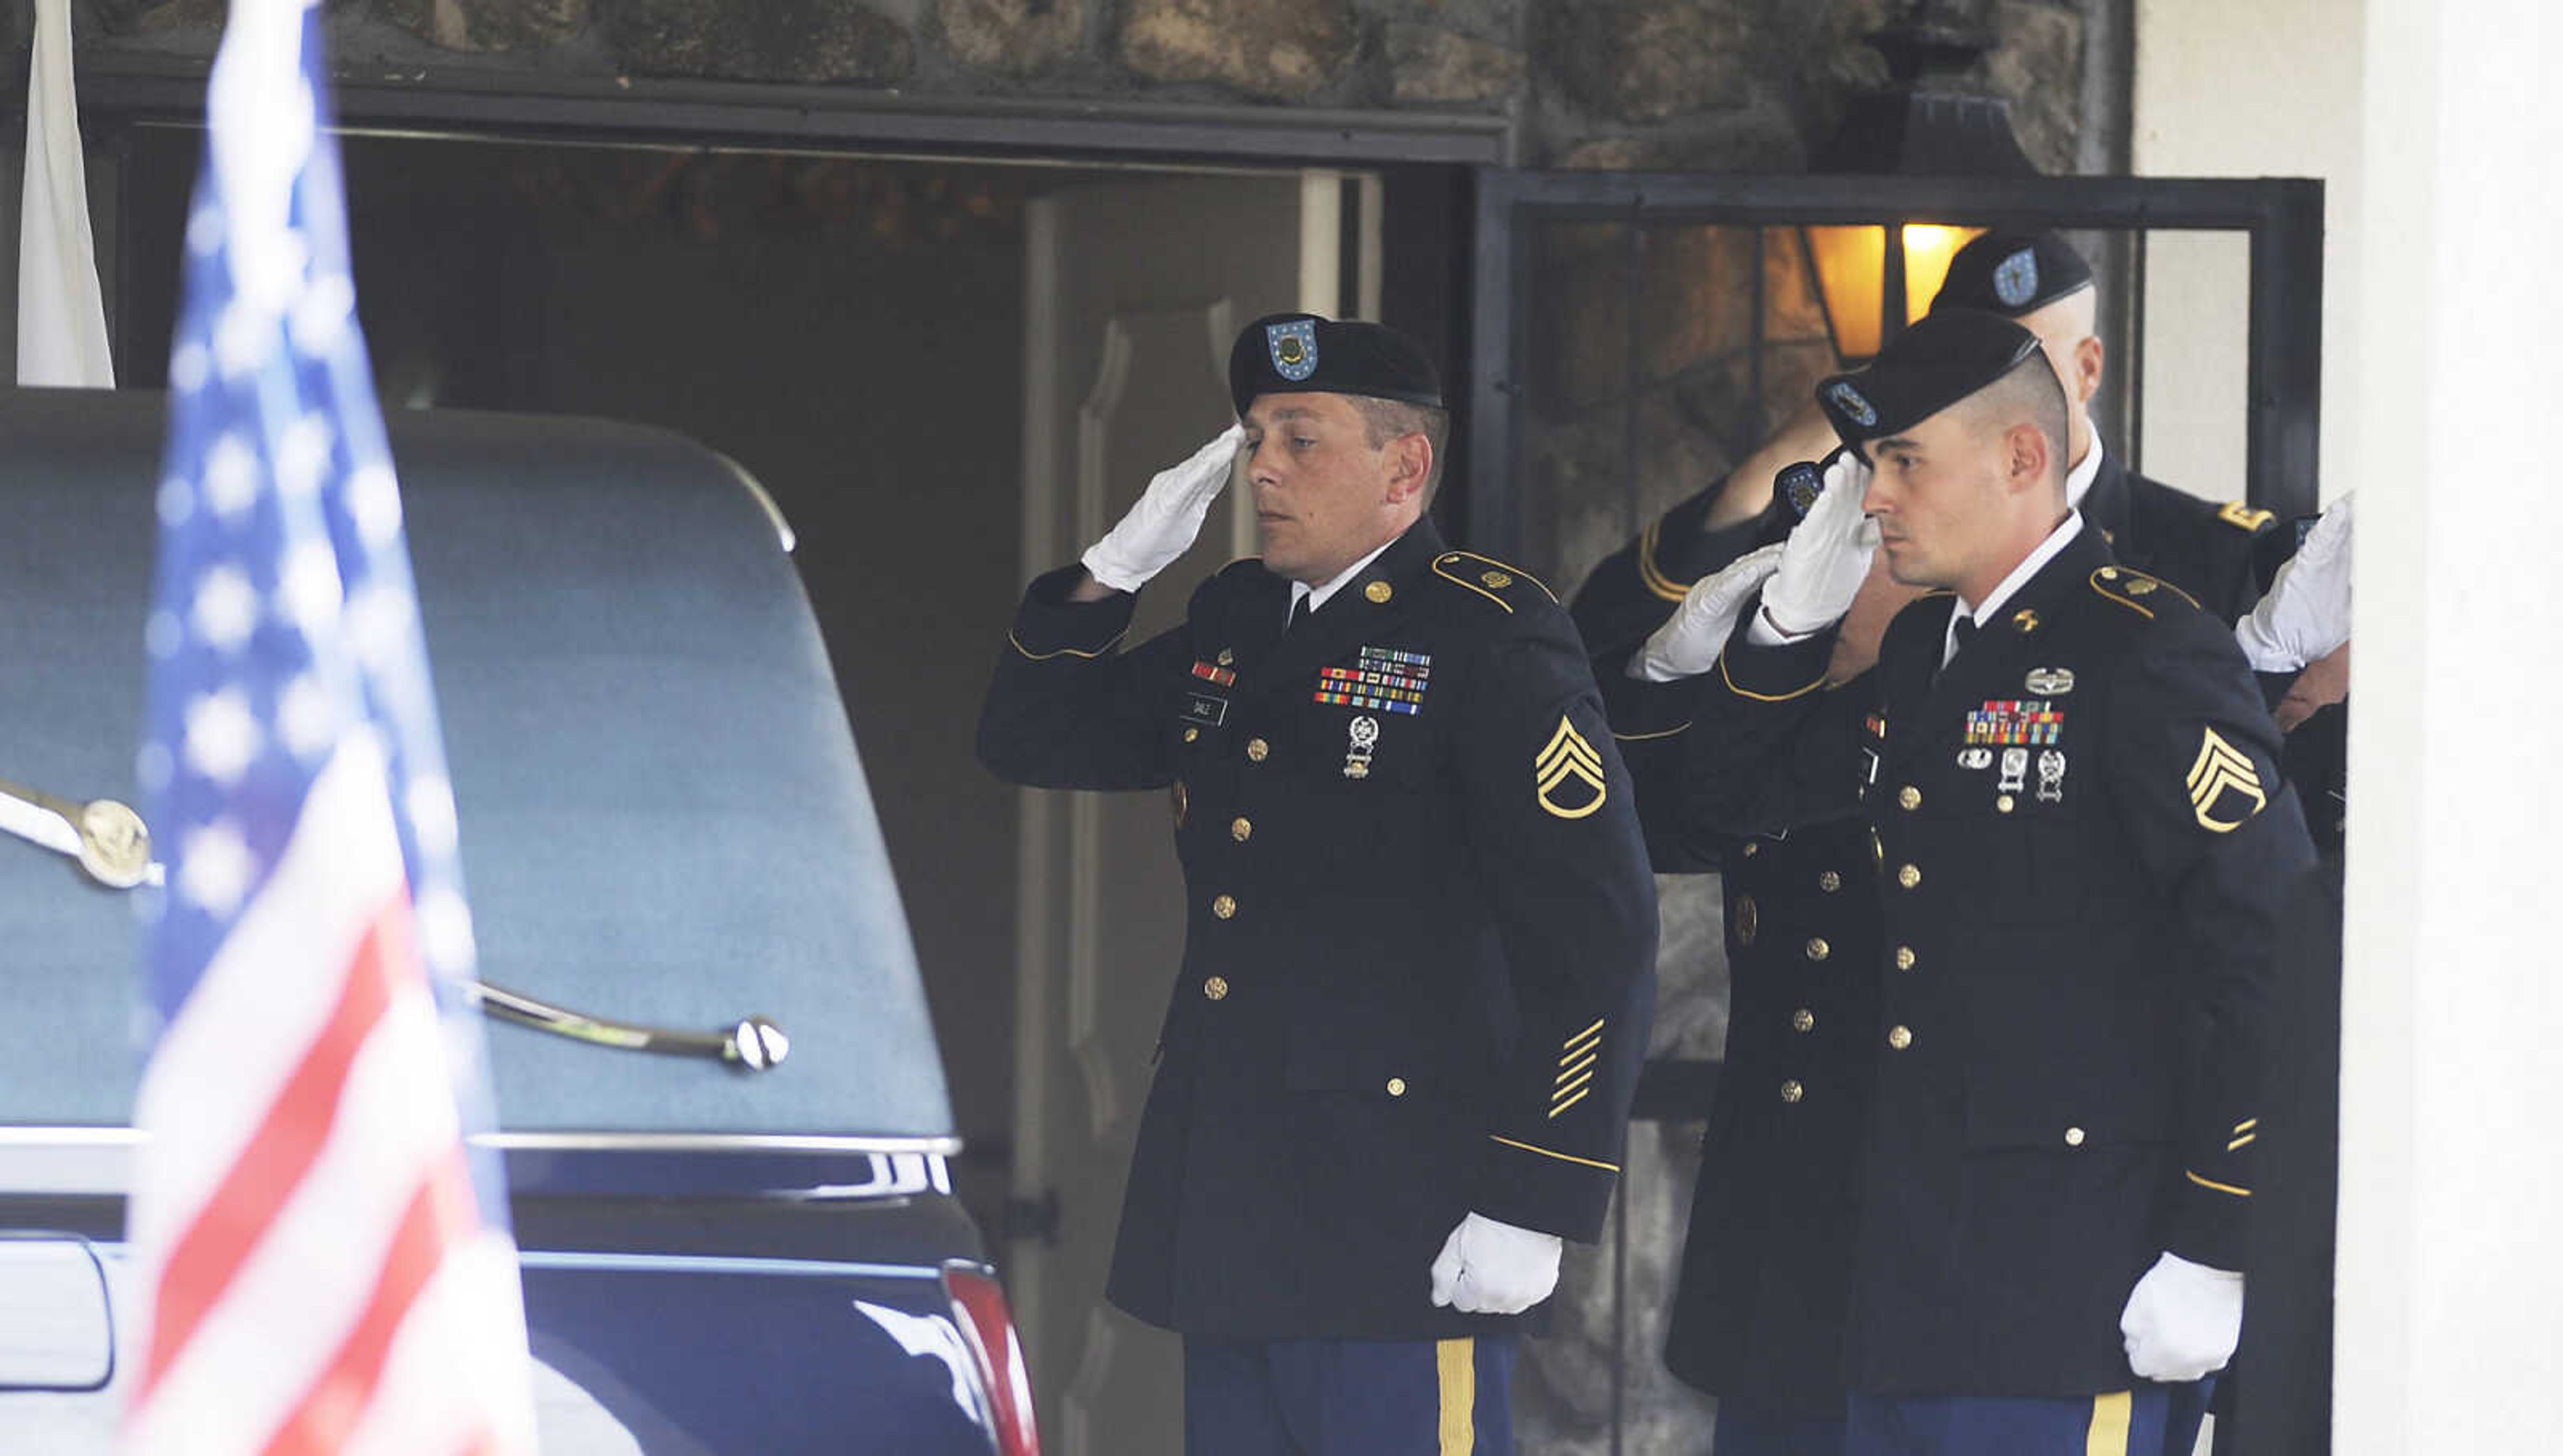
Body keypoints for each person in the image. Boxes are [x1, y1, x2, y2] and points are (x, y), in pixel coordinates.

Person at [976, 313, 1659, 1454]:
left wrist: (1537, 1189)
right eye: (1253, 438)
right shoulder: (1239, 622)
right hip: (1237, 1203)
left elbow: (1601, 928)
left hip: (1401, 1217)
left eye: (1300, 438)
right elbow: (1032, 736)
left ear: (1407, 466)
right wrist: (1111, 574)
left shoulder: (1487, 634)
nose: (1263, 470)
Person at [1675, 310, 2315, 1455]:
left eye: (1904, 462)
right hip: (1908, 1284)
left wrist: (2221, 1235)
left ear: (2022, 457)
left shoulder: (2148, 650)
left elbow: (2270, 949)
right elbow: (1724, 808)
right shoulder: (1926, 653)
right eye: (1875, 466)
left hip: (2075, 1286)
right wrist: (1782, 632)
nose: (1873, 498)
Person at [1929, 231, 2275, 621]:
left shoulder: (2219, 559)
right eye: (1964, 365)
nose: (1988, 389)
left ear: (2088, 370)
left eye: (2023, 364)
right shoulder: (1910, 545)